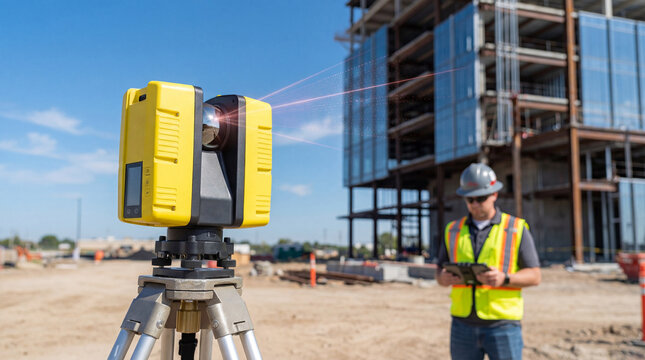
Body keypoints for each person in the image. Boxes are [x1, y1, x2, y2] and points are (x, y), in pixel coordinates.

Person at [437, 163, 541, 360]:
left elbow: (535, 276)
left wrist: (505, 278)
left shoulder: (515, 228)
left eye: (481, 198)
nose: (475, 204)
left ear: (494, 194)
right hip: (462, 326)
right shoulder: (452, 230)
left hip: (503, 326)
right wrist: (444, 278)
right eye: (470, 199)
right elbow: (439, 273)